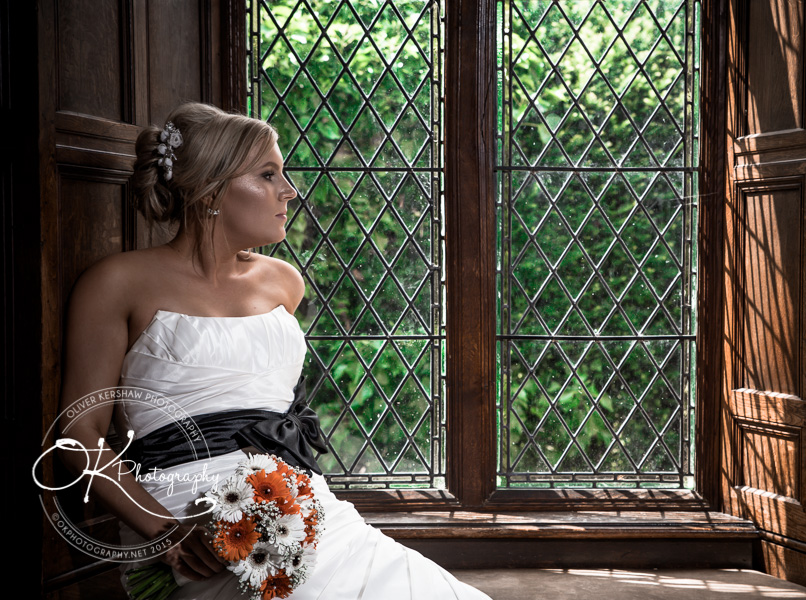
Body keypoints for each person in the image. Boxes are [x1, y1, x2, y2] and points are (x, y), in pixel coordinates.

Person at [56, 102, 491, 599]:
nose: (290, 190)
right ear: (211, 190)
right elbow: (78, 430)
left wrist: (292, 498)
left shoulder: (283, 283)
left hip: (298, 506)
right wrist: (163, 532)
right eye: (268, 174)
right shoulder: (117, 282)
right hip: (182, 520)